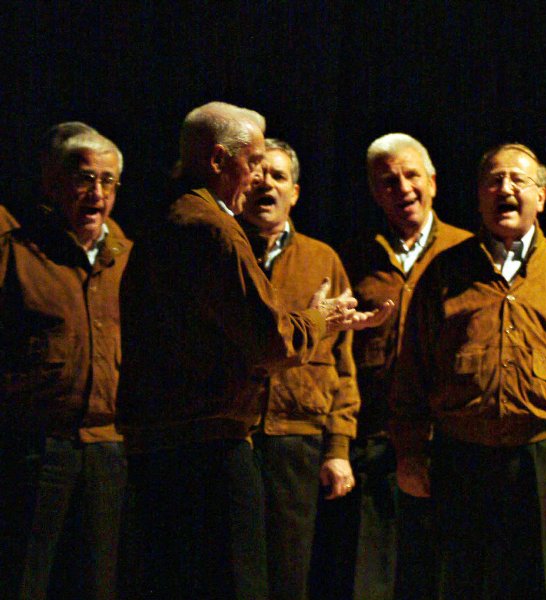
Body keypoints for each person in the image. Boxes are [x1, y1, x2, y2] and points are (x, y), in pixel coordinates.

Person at [116, 101, 392, 600]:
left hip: (170, 443)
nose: (257, 177)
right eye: (253, 162)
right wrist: (322, 319)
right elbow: (271, 341)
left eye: (273, 170)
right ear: (219, 160)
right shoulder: (211, 228)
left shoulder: (165, 220)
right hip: (207, 447)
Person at [389, 143, 546, 600]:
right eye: (494, 181)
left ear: (541, 197)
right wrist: (410, 452)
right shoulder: (445, 271)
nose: (505, 189)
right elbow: (412, 370)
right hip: (460, 460)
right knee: (461, 584)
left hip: (542, 460)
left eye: (518, 181)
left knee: (539, 584)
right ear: (478, 196)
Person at [310, 133, 471, 600]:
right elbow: (336, 359)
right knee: (370, 579)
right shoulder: (352, 258)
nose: (402, 189)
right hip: (373, 445)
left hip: (447, 447)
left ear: (433, 182)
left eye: (411, 176)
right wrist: (338, 445)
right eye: (388, 181)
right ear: (374, 193)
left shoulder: (467, 253)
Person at [0, 128, 131, 600]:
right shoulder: (18, 253)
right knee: (24, 579)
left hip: (107, 449)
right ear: (54, 184)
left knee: (96, 583)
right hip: (35, 447)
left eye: (107, 181)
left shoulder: (129, 261)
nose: (96, 192)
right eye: (83, 179)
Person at [240, 138, 360, 600]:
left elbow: (343, 362)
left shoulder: (322, 259)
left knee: (289, 574)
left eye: (278, 176)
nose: (266, 184)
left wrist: (338, 448)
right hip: (232, 434)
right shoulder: (222, 251)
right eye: (257, 174)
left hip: (298, 440)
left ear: (295, 192)